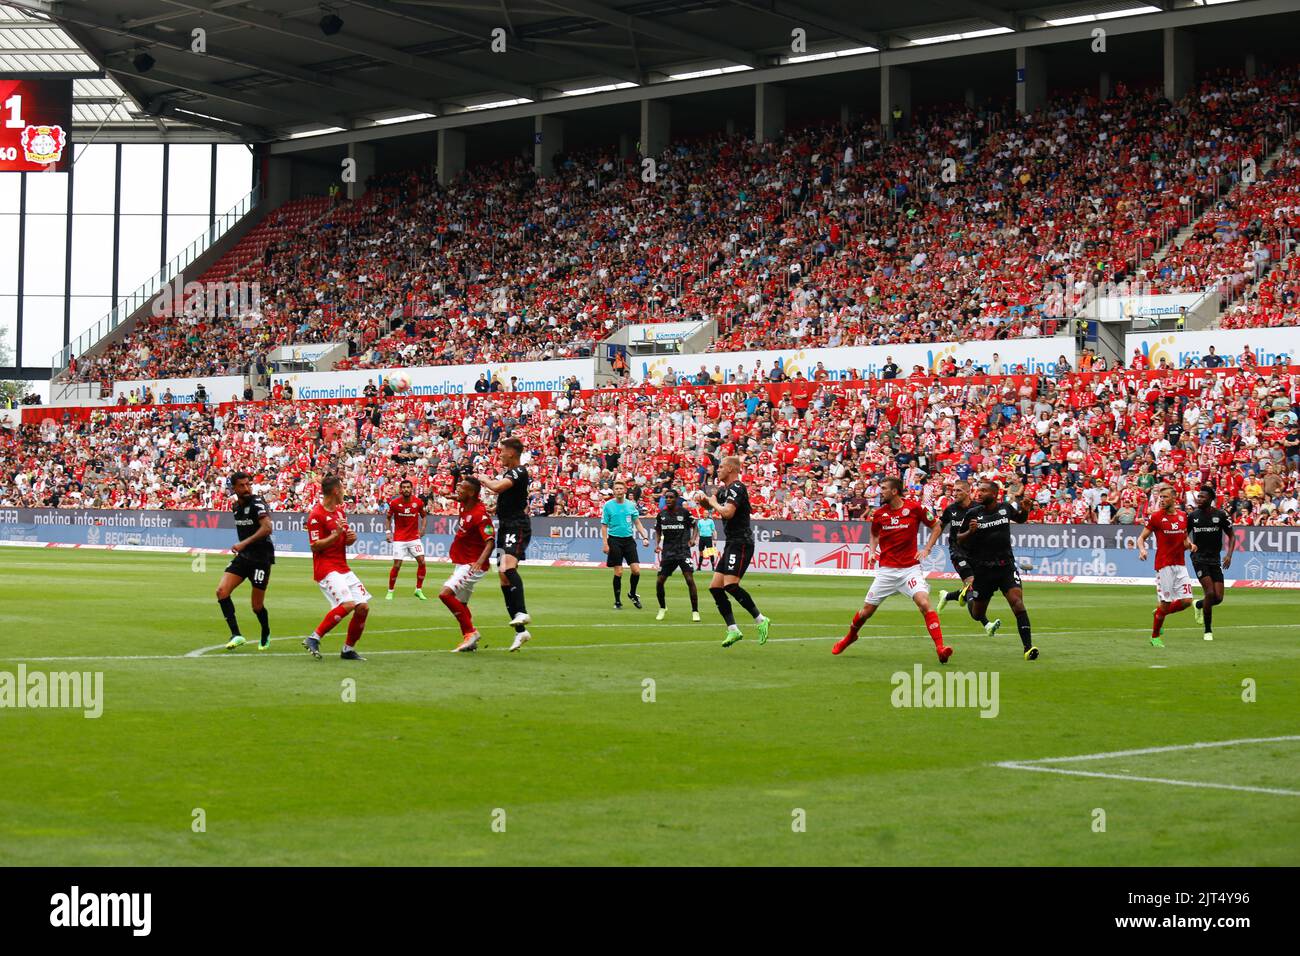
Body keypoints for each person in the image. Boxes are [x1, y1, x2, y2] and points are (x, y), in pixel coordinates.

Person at [832, 477, 949, 662]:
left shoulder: (914, 508)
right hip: (886, 571)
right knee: (866, 612)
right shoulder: (879, 514)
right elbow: (874, 535)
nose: (881, 492)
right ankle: (850, 637)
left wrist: (927, 548)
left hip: (910, 569)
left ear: (895, 491)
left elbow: (937, 525)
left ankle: (940, 648)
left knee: (924, 604)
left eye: (884, 489)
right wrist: (872, 552)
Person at [956, 479, 1039, 660]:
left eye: (983, 491)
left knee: (1017, 603)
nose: (978, 493)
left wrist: (1025, 509)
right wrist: (970, 532)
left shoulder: (1006, 508)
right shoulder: (972, 513)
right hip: (983, 571)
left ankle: (1028, 648)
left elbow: (1020, 519)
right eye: (978, 490)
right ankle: (968, 593)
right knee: (978, 614)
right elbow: (958, 539)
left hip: (1005, 567)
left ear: (994, 494)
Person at [695, 455, 771, 647]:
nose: (717, 470)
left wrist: (711, 502)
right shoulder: (724, 490)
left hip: (741, 542)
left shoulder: (737, 488)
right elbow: (711, 505)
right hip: (731, 543)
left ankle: (761, 620)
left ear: (730, 469)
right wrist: (703, 500)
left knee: (730, 585)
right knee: (715, 587)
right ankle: (733, 630)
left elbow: (727, 512)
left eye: (720, 467)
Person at [476, 437, 533, 651]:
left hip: (517, 525)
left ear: (511, 452)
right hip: (506, 525)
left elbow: (499, 488)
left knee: (508, 568)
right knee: (502, 576)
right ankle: (521, 632)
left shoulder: (519, 471)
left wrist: (483, 479)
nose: (499, 454)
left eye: (502, 451)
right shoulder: (510, 472)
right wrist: (496, 510)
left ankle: (522, 612)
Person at [304, 475, 369, 661]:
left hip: (342, 566)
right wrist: (336, 535)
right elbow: (315, 545)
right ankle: (313, 638)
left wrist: (350, 538)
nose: (344, 492)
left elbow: (344, 539)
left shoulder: (340, 512)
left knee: (363, 607)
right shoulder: (316, 515)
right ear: (335, 491)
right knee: (347, 604)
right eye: (342, 489)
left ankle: (348, 650)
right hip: (326, 568)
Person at [217, 471, 275, 651]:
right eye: (241, 486)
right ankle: (236, 635)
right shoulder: (235, 507)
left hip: (261, 559)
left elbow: (267, 528)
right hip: (243, 557)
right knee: (221, 591)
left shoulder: (257, 502)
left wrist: (244, 543)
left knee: (256, 606)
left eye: (248, 484)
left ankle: (265, 632)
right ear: (233, 488)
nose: (246, 488)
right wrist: (243, 547)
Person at [1136, 484, 1195, 648]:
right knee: (1166, 603)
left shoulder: (1183, 516)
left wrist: (1190, 545)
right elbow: (1141, 538)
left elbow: (1184, 539)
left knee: (1187, 601)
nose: (1161, 500)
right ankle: (1155, 636)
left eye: (1165, 497)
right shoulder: (1156, 517)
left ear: (1174, 498)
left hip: (1180, 564)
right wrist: (1142, 550)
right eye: (1160, 497)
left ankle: (1160, 614)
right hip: (1164, 565)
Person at [443, 477, 496, 653]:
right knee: (461, 603)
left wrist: (479, 563)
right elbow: (459, 497)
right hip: (463, 561)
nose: (458, 490)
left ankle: (470, 632)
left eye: (462, 488)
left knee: (445, 595)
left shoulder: (480, 514)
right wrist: (450, 496)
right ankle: (470, 641)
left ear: (472, 492)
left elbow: (490, 542)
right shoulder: (466, 503)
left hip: (472, 564)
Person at [1187, 485, 1234, 642]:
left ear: (1211, 499)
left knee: (1218, 598)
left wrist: (1229, 555)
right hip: (1198, 558)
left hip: (1215, 559)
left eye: (1202, 497)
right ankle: (1208, 630)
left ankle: (1199, 605)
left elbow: (1232, 536)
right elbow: (1183, 535)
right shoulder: (1192, 516)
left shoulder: (1220, 515)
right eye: (1198, 496)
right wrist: (1189, 544)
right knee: (1210, 593)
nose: (1199, 499)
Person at [934, 479, 978, 623]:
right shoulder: (951, 509)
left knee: (978, 588)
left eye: (958, 490)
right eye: (954, 490)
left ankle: (947, 596)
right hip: (957, 551)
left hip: (975, 553)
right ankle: (984, 621)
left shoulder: (978, 508)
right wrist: (929, 545)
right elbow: (939, 526)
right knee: (971, 583)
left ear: (968, 491)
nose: (955, 493)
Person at [653, 488, 700, 621]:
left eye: (671, 497)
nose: (668, 499)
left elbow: (695, 526)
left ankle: (695, 611)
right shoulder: (661, 514)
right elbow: (658, 530)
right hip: (668, 553)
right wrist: (656, 545)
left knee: (689, 580)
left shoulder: (684, 513)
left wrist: (692, 539)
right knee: (659, 581)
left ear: (676, 499)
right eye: (666, 497)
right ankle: (662, 608)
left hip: (683, 551)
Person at [602, 479, 650, 609]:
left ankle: (632, 594)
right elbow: (604, 526)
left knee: (636, 570)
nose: (618, 491)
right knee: (618, 572)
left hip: (629, 540)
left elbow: (637, 522)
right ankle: (617, 601)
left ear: (625, 490)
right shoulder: (608, 505)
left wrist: (644, 536)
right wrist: (605, 543)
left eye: (620, 489)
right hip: (614, 540)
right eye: (616, 489)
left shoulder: (630, 505)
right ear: (613, 491)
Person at [384, 478, 428, 601]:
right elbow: (388, 518)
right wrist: (388, 532)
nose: (406, 489)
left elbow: (424, 516)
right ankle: (390, 591)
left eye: (408, 487)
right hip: (399, 538)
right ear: (400, 489)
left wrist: (423, 528)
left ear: (411, 489)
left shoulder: (418, 502)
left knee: (422, 562)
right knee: (397, 565)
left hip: (414, 538)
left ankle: (418, 590)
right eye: (404, 487)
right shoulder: (394, 503)